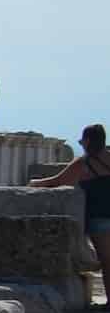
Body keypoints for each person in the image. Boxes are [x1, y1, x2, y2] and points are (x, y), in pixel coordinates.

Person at [33, 123, 110, 287]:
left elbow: (58, 181)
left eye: (82, 142)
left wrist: (34, 183)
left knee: (107, 261)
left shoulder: (85, 163)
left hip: (99, 217)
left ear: (88, 141)